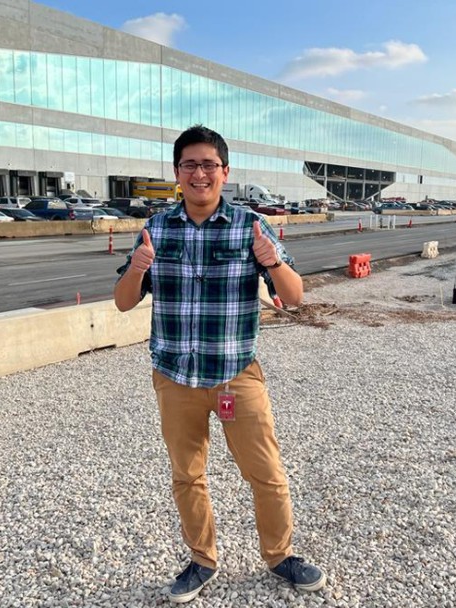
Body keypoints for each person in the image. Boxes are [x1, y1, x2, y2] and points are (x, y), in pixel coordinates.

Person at [114, 125, 325, 604]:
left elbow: (293, 297)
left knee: (266, 471)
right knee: (187, 475)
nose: (200, 173)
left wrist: (273, 262)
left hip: (236, 374)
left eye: (209, 164)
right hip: (174, 376)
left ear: (224, 173)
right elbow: (124, 302)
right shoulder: (158, 228)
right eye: (190, 164)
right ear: (177, 173)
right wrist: (138, 266)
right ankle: (202, 559)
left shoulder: (250, 225)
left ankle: (280, 555)